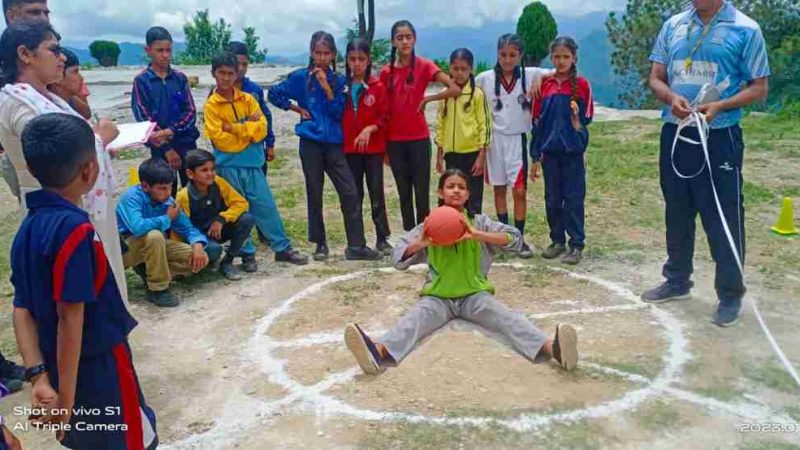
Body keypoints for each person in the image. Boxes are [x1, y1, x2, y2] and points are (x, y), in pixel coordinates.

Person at [11, 113, 157, 449]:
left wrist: (39, 376)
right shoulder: (77, 232)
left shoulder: (28, 228)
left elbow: (21, 308)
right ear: (89, 170)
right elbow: (70, 317)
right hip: (96, 367)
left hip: (57, 366)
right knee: (128, 440)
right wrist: (66, 403)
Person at [344, 169, 579, 375]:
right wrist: (422, 243)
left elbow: (516, 240)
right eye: (450, 186)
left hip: (475, 296)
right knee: (412, 322)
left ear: (468, 194)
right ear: (440, 193)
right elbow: (398, 259)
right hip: (438, 298)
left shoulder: (479, 222)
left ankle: (554, 349)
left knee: (508, 319)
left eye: (461, 187)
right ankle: (378, 352)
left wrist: (478, 235)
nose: (456, 191)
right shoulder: (428, 226)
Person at [643, 0, 770, 327]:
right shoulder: (673, 26)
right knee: (677, 208)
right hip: (676, 131)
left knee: (723, 213)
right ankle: (677, 279)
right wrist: (671, 98)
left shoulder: (746, 29)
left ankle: (730, 294)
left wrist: (721, 105)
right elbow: (656, 77)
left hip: (719, 137)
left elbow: (759, 87)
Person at [0, 21, 129, 305]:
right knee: (75, 292)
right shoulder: (16, 102)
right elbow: (54, 151)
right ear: (25, 54)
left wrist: (98, 151)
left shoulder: (46, 97)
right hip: (54, 209)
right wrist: (99, 139)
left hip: (76, 202)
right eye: (53, 50)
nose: (61, 58)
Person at [269, 32, 381, 262]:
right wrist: (297, 109)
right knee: (314, 192)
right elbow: (274, 93)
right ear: (311, 53)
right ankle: (320, 243)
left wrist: (327, 88)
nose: (321, 58)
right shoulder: (300, 78)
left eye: (326, 53)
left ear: (333, 55)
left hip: (334, 144)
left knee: (349, 192)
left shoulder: (340, 81)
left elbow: (338, 111)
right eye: (318, 53)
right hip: (310, 142)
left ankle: (356, 245)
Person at [205, 52, 309, 266]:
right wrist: (247, 130)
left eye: (230, 73)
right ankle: (246, 253)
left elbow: (261, 130)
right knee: (239, 210)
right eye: (221, 73)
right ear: (213, 73)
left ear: (237, 74)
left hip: (253, 164)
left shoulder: (249, 99)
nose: (225, 78)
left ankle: (282, 247)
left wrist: (234, 128)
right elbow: (220, 140)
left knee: (266, 206)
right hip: (228, 166)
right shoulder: (211, 106)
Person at [476, 34, 553, 258]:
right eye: (503, 55)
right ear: (497, 54)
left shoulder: (531, 75)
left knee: (519, 191)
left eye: (512, 55)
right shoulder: (485, 78)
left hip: (517, 140)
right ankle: (504, 237)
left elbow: (560, 70)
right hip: (494, 142)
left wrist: (542, 80)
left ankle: (518, 238)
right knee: (499, 189)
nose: (507, 60)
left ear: (520, 56)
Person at [380, 20, 461, 232]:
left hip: (418, 139)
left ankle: (427, 235)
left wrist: (428, 99)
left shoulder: (425, 65)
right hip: (394, 142)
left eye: (408, 37)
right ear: (393, 42)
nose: (405, 41)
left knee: (422, 192)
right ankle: (410, 236)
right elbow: (383, 111)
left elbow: (454, 88)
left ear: (414, 38)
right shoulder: (385, 73)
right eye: (400, 38)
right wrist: (383, 147)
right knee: (404, 192)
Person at [117, 158, 221, 308]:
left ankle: (150, 272)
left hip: (154, 247)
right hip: (126, 250)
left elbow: (189, 229)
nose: (167, 192)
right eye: (162, 188)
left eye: (170, 187)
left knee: (201, 258)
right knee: (154, 235)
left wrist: (197, 246)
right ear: (145, 186)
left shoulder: (168, 201)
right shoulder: (131, 198)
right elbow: (137, 228)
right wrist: (166, 218)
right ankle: (158, 289)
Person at [530, 37, 594, 265]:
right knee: (552, 199)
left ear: (574, 58)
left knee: (574, 198)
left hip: (573, 152)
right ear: (551, 57)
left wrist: (577, 117)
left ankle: (576, 243)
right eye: (556, 56)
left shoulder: (583, 85)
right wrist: (535, 155)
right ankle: (557, 240)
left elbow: (587, 119)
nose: (561, 61)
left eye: (566, 56)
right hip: (550, 152)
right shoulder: (544, 85)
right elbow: (537, 122)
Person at [131, 26, 200, 196]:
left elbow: (190, 111)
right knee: (165, 193)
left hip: (186, 144)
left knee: (194, 190)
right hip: (159, 150)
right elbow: (144, 119)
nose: (165, 55)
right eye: (159, 50)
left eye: (168, 50)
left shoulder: (180, 78)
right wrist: (167, 149)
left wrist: (172, 130)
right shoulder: (142, 81)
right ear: (148, 50)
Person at [342, 38, 393, 256]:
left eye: (361, 59)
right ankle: (356, 240)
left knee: (376, 194)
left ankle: (382, 238)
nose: (357, 64)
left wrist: (371, 128)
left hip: (373, 151)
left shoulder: (377, 87)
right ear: (346, 60)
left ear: (368, 60)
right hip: (348, 150)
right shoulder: (340, 86)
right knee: (353, 196)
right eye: (352, 59)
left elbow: (385, 116)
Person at [177, 150, 257, 281]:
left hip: (218, 230)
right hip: (199, 237)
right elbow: (180, 227)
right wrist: (180, 260)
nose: (210, 174)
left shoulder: (219, 183)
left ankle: (228, 261)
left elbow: (241, 203)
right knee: (214, 250)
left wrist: (221, 219)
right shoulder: (183, 196)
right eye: (204, 170)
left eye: (212, 169)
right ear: (190, 174)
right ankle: (209, 260)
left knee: (247, 219)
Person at [1, 0, 50, 201]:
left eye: (46, 13)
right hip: (27, 159)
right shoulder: (6, 72)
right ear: (11, 16)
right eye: (34, 12)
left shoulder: (48, 56)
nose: (43, 19)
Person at [435, 47, 491, 217]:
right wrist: (439, 155)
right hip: (452, 155)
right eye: (455, 69)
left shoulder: (477, 94)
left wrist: (481, 157)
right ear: (449, 69)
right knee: (451, 197)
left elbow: (484, 126)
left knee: (472, 197)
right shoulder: (444, 95)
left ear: (471, 70)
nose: (459, 73)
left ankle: (473, 234)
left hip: (472, 154)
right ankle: (450, 231)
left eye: (464, 69)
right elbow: (441, 126)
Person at [226, 41, 276, 176]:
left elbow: (266, 118)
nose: (241, 68)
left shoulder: (254, 90)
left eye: (245, 64)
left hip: (254, 151)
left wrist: (270, 144)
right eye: (237, 64)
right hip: (229, 155)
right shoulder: (218, 93)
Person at [48, 47, 91, 119]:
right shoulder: (52, 113)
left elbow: (87, 113)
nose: (81, 77)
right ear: (58, 76)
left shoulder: (65, 102)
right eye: (75, 72)